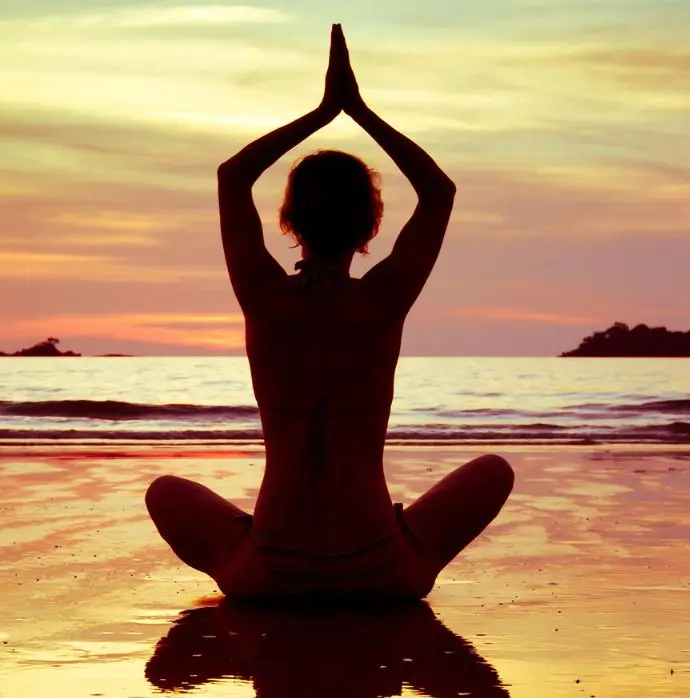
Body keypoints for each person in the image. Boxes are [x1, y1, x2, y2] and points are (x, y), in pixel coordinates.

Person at [145, 24, 513, 601]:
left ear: (288, 223)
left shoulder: (265, 297)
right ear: (371, 228)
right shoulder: (382, 301)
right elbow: (438, 192)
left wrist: (321, 113)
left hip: (269, 575)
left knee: (164, 490)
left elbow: (232, 175)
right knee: (494, 470)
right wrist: (358, 111)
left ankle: (248, 547)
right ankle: (388, 545)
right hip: (381, 576)